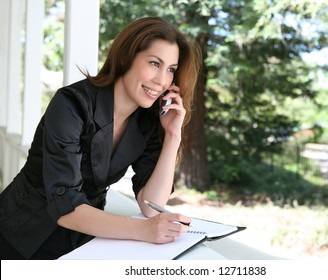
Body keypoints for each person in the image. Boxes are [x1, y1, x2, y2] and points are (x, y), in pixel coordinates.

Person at [0, 16, 202, 260]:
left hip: (82, 240)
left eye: (170, 70)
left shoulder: (149, 120)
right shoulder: (71, 104)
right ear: (126, 57)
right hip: (21, 234)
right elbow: (66, 207)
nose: (161, 81)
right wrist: (145, 231)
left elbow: (151, 205)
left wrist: (173, 135)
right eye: (154, 63)